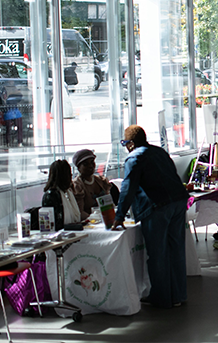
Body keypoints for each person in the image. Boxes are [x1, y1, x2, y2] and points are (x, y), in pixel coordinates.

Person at [113, 125, 189, 308]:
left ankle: (161, 298)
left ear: (131, 143)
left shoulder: (134, 158)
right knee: (177, 250)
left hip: (157, 207)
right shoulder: (159, 152)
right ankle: (178, 295)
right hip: (178, 203)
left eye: (125, 143)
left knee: (158, 254)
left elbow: (128, 187)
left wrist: (119, 216)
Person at [71, 148, 114, 219]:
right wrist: (94, 218)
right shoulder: (77, 186)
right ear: (78, 168)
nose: (90, 166)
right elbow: (80, 212)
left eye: (92, 162)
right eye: (85, 164)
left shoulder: (101, 180)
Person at [42, 159, 82, 230]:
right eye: (69, 175)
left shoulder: (67, 193)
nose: (71, 177)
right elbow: (56, 224)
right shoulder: (51, 196)